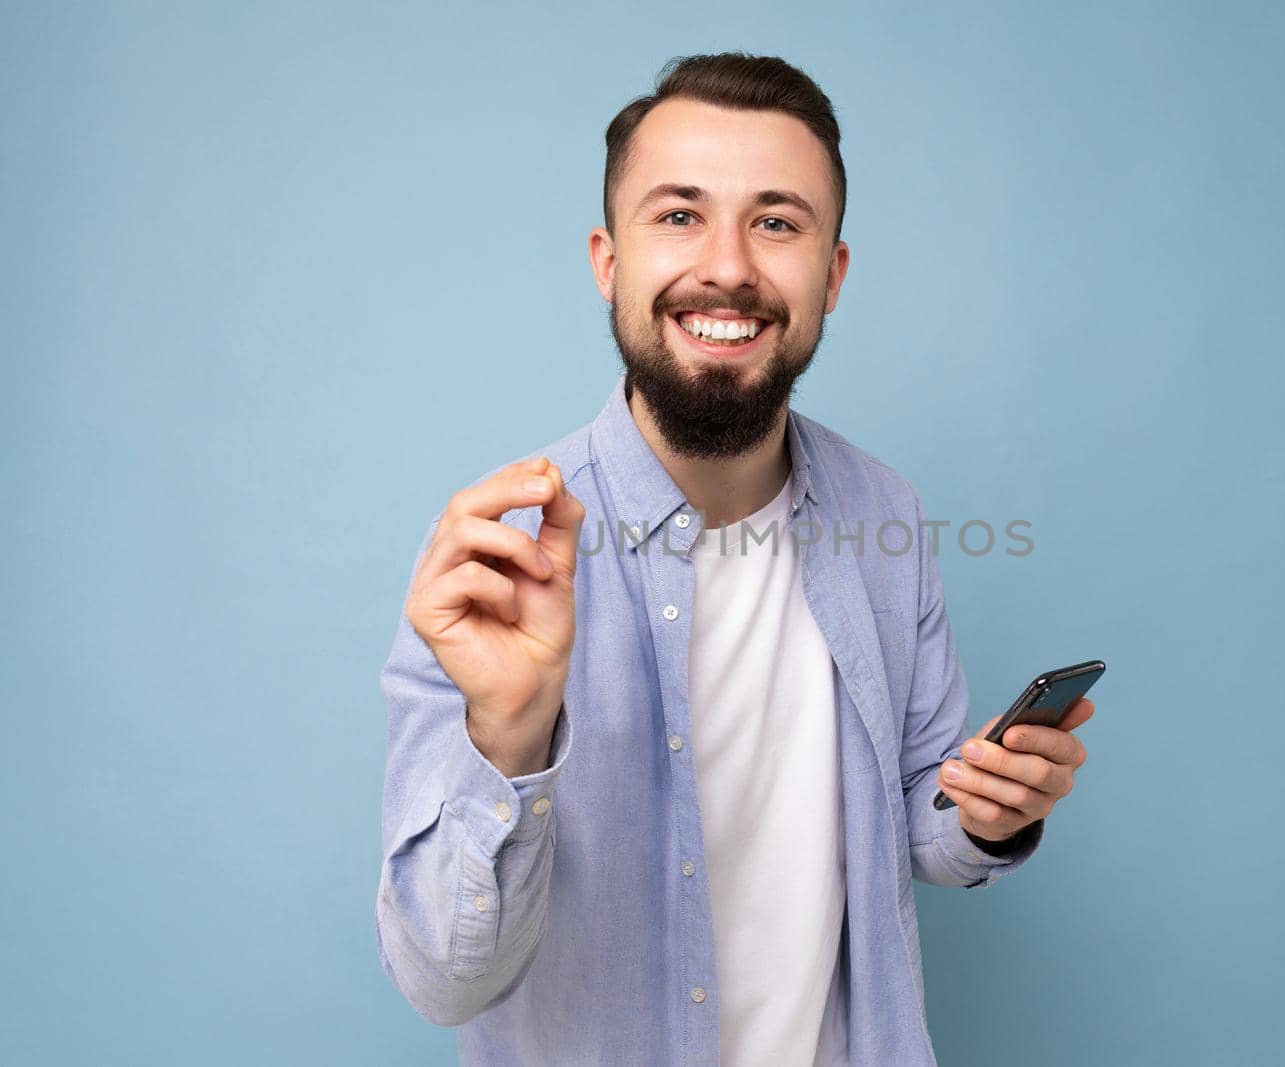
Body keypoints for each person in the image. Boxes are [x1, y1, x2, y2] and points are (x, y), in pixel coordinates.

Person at [375, 52, 1093, 1066]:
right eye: (678, 215)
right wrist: (509, 736)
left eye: (776, 220)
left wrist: (987, 808)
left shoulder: (883, 512)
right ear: (606, 260)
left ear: (831, 274)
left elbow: (916, 829)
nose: (727, 266)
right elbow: (443, 977)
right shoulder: (498, 559)